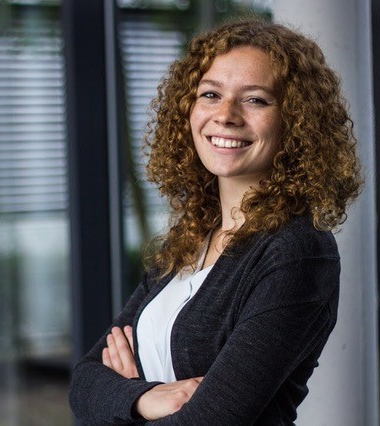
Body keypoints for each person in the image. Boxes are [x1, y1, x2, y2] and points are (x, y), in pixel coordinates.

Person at [68, 19, 363, 425]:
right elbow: (84, 383)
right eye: (210, 94)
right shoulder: (190, 237)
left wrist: (118, 401)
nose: (226, 115)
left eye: (256, 100)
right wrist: (148, 398)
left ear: (295, 122)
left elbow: (209, 420)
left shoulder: (297, 251)